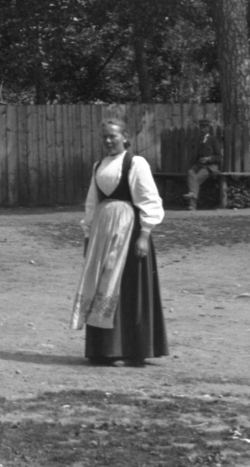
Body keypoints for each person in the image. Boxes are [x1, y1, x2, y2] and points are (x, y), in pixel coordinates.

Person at [70, 118, 168, 366]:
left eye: (113, 136)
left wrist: (144, 234)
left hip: (129, 233)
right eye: (104, 137)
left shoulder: (135, 163)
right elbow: (92, 204)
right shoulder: (98, 167)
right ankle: (103, 349)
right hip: (103, 234)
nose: (108, 140)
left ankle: (131, 349)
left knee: (126, 286)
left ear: (125, 137)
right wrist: (88, 235)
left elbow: (149, 199)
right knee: (101, 283)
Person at [185, 117, 222, 211]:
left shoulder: (213, 140)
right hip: (198, 165)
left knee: (196, 180)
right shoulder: (197, 140)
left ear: (208, 128)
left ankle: (192, 205)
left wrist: (209, 158)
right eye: (201, 127)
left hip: (209, 166)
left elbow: (219, 157)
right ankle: (192, 194)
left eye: (204, 127)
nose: (202, 129)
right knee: (190, 172)